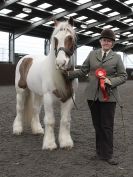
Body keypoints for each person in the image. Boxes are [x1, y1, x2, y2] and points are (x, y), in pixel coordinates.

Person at [64, 28, 127, 165]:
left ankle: (108, 155)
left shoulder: (117, 57)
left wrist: (111, 81)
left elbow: (123, 76)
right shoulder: (92, 54)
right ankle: (99, 153)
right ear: (100, 41)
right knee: (97, 125)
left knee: (107, 126)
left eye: (109, 41)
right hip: (93, 96)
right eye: (104, 40)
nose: (106, 43)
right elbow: (84, 70)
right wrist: (67, 75)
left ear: (113, 44)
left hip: (109, 97)